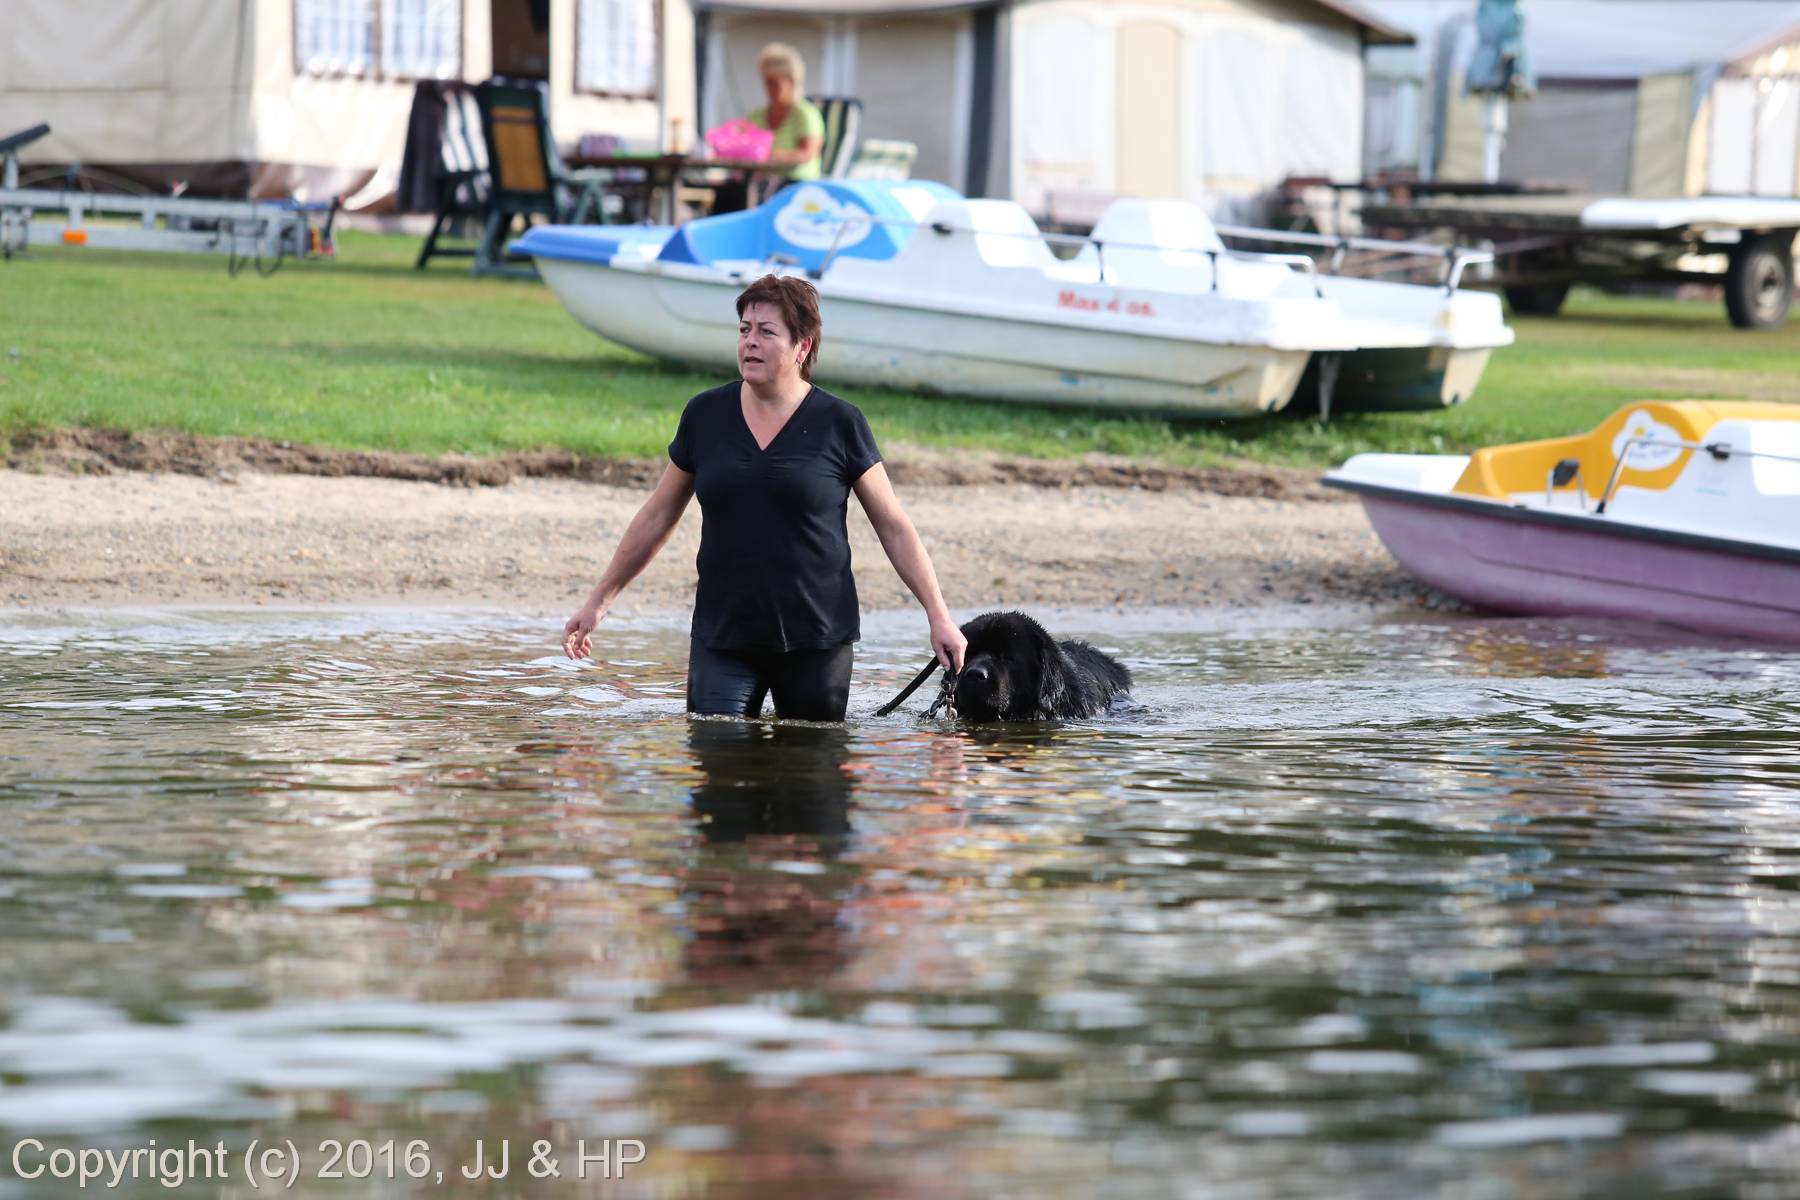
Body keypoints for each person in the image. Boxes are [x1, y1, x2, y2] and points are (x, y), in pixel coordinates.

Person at [562, 274, 965, 722]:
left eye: (766, 331)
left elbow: (893, 527)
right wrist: (598, 601)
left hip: (816, 640)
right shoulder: (705, 415)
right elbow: (658, 515)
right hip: (723, 636)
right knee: (717, 750)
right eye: (744, 330)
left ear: (802, 347)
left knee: (808, 758)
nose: (750, 342)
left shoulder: (840, 422)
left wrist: (938, 617)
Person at [708, 43, 825, 215]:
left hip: (795, 184)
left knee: (752, 196)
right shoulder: (757, 116)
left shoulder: (806, 114)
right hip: (760, 181)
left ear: (791, 82)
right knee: (727, 192)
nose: (769, 89)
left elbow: (808, 153)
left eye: (775, 83)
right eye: (767, 82)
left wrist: (769, 156)